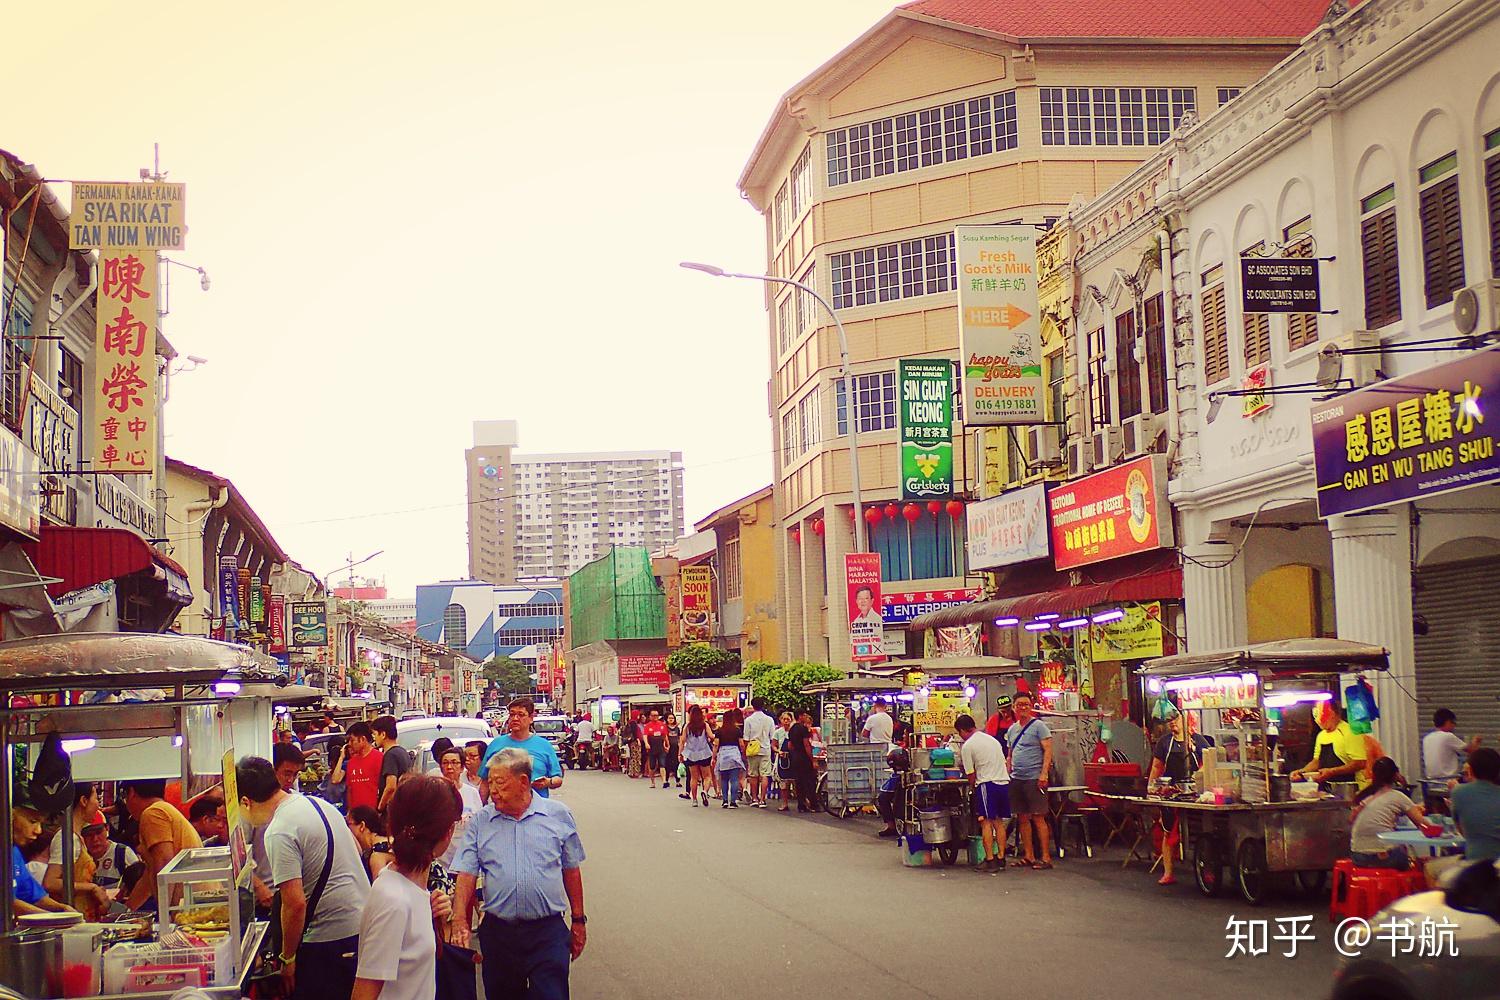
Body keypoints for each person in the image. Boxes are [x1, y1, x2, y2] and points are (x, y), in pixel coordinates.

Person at [452, 749, 587, 1000]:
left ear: (523, 782)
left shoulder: (558, 815)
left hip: (547, 932)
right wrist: (459, 918)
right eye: (490, 782)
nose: (493, 790)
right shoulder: (482, 821)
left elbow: (571, 869)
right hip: (499, 932)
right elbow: (467, 872)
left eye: (500, 782)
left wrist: (579, 920)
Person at [238, 754, 371, 1000]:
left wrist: (287, 959)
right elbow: (358, 849)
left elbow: (295, 903)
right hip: (361, 927)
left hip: (330, 942)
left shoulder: (279, 830)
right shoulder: (317, 804)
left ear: (246, 802)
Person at [352, 775, 459, 1000]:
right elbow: (364, 993)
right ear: (447, 832)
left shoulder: (410, 888)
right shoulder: (394, 900)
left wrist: (434, 918)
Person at [1147, 710, 1214, 886]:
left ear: (1186, 719)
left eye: (1175, 719)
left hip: (1195, 793)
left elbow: (1208, 763)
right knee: (1168, 831)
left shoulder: (1198, 741)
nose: (1172, 723)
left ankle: (1207, 871)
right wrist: (1151, 787)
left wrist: (1199, 779)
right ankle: (1168, 872)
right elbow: (1156, 767)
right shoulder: (1164, 743)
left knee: (1202, 831)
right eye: (1169, 721)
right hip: (1171, 793)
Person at [121, 778, 203, 911]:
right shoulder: (163, 809)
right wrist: (126, 910)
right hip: (194, 902)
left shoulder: (152, 813)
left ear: (131, 792)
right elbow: (149, 875)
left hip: (192, 907)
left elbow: (165, 863)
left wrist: (165, 914)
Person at [1350, 757, 1436, 870]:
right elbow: (1424, 826)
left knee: (1403, 851)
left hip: (1357, 856)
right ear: (1396, 774)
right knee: (1418, 861)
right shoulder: (1397, 796)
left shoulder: (1366, 796)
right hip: (1380, 857)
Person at [1003, 693, 1054, 870]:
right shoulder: (1012, 729)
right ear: (1014, 708)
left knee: (1039, 817)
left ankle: (1046, 857)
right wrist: (1008, 772)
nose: (1023, 707)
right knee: (1022, 818)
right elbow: (1010, 755)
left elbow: (1048, 751)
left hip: (1034, 778)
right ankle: (1029, 855)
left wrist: (1043, 774)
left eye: (1026, 704)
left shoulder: (1039, 726)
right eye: (1019, 705)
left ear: (1031, 706)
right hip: (1017, 778)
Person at [955, 714, 1011, 872]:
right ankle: (1001, 857)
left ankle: (990, 860)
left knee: (986, 822)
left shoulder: (968, 746)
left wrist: (972, 787)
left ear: (962, 731)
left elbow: (970, 774)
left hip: (987, 784)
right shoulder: (991, 740)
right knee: (998, 822)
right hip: (1003, 782)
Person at [481, 698, 564, 797]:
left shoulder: (544, 745)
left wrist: (548, 782)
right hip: (502, 807)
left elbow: (557, 779)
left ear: (531, 718)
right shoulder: (496, 744)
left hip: (537, 809)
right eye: (512, 714)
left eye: (521, 715)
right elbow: (485, 782)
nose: (515, 718)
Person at [11, 804, 78, 918]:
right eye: (32, 821)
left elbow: (32, 895)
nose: (39, 831)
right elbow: (6, 903)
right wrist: (53, 918)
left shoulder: (13, 852)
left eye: (40, 823)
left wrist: (62, 908)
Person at [1290, 702, 1369, 791]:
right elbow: (1317, 761)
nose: (1318, 721)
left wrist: (1332, 772)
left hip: (1351, 788)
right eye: (1316, 717)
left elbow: (1360, 763)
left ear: (1332, 714)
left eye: (1321, 716)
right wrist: (1302, 772)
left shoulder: (1350, 732)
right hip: (1328, 788)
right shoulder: (1321, 735)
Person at [1452, 747, 1500, 862]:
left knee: (1431, 868)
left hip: (1475, 863)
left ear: (1471, 771)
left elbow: (1462, 831)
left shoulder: (1459, 792)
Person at [80, 817, 138, 900]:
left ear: (107, 829)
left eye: (98, 832)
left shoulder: (123, 853)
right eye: (89, 834)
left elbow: (138, 885)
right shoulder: (78, 857)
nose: (95, 839)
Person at [333, 722, 384, 814]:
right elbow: (350, 789)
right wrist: (349, 811)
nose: (350, 744)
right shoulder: (351, 762)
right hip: (356, 816)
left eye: (352, 740)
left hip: (374, 814)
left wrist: (380, 810)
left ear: (362, 739)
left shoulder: (380, 758)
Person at [1424, 708, 1482, 788]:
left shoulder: (1427, 738)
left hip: (1431, 781)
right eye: (1453, 722)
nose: (1454, 726)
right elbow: (1471, 750)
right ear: (1448, 722)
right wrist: (1476, 741)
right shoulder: (1448, 736)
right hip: (1448, 781)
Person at [371, 716, 414, 813]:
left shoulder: (390, 755)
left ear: (383, 734)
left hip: (393, 810)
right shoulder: (402, 751)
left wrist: (379, 808)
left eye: (375, 734)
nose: (374, 738)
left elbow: (391, 786)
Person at [347, 806, 396, 880]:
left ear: (362, 826)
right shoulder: (393, 841)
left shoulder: (377, 856)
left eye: (348, 824)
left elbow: (380, 890)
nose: (347, 829)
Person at [742, 698, 775, 807]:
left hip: (752, 749)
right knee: (765, 774)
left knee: (753, 774)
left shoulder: (748, 720)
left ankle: (754, 798)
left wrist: (746, 750)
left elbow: (746, 738)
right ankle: (762, 799)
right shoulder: (769, 719)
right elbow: (772, 736)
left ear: (753, 706)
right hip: (765, 749)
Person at [681, 705, 715, 807]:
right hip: (704, 753)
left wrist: (680, 754)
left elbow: (682, 741)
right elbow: (711, 736)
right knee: (707, 776)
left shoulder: (687, 726)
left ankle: (694, 800)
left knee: (694, 778)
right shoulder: (704, 725)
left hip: (691, 754)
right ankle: (705, 791)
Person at [787, 709, 819, 813]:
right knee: (809, 781)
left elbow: (790, 745)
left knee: (799, 782)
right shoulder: (803, 729)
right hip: (804, 758)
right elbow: (806, 745)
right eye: (804, 715)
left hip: (795, 757)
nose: (805, 716)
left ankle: (801, 804)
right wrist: (812, 759)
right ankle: (813, 804)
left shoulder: (792, 729)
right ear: (800, 716)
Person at [714, 709, 747, 809]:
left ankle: (724, 800)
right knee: (734, 779)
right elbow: (741, 744)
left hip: (723, 754)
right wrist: (743, 754)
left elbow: (716, 745)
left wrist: (713, 757)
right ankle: (733, 801)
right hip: (734, 754)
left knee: (724, 779)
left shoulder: (719, 730)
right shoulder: (737, 730)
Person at [773, 711, 795, 812]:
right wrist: (778, 751)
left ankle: (802, 803)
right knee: (783, 783)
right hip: (782, 759)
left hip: (793, 758)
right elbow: (773, 745)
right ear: (781, 720)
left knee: (795, 781)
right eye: (784, 719)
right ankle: (784, 803)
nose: (786, 721)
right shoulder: (777, 732)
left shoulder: (794, 731)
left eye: (788, 719)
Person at [642, 709, 669, 789]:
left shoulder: (662, 725)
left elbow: (665, 736)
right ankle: (652, 782)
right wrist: (646, 743)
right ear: (650, 716)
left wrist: (667, 745)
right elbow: (645, 736)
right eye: (653, 715)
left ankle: (664, 781)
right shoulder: (647, 726)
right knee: (652, 766)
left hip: (661, 747)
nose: (655, 717)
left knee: (662, 764)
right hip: (652, 747)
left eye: (657, 715)